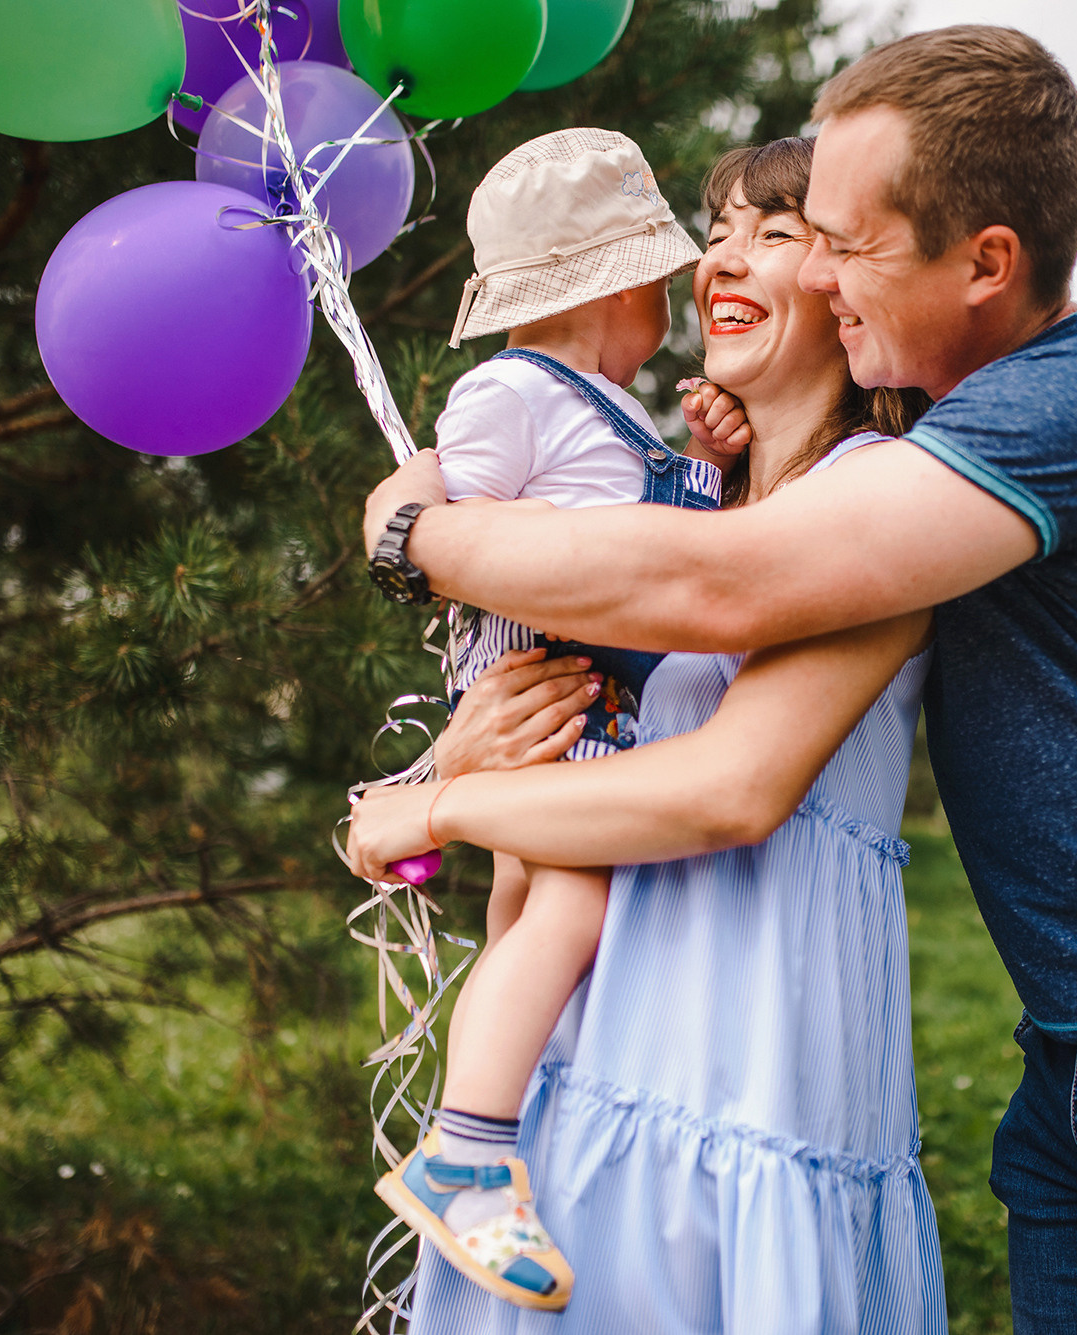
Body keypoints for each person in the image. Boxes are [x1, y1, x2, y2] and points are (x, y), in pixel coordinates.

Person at [361, 26, 1077, 1334]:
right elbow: (649, 625)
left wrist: (414, 538)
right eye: (769, 229)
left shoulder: (1057, 408)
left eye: (832, 237)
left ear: (985, 260)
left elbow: (727, 662)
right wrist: (479, 740)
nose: (784, 258)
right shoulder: (761, 475)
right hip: (1058, 1048)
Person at [349, 136, 946, 1332]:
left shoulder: (884, 492)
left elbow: (726, 787)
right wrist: (447, 756)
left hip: (751, 1066)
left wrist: (431, 804)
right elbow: (457, 527)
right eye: (715, 231)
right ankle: (473, 1145)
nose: (721, 257)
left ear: (850, 287)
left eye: (774, 234)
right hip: (594, 1068)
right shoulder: (688, 502)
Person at [370, 127, 747, 1311]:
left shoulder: (609, 411)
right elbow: (460, 534)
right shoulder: (510, 390)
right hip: (545, 696)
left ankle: (503, 1128)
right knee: (567, 906)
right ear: (625, 285)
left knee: (524, 919)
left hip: (594, 705)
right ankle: (465, 1151)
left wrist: (702, 458)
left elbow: (653, 533)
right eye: (660, 288)